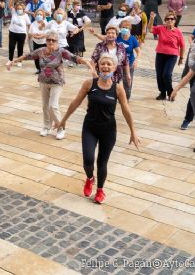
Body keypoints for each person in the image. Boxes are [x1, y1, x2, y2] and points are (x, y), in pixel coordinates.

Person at [54, 54, 141, 204]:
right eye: (103, 64)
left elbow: (126, 110)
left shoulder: (118, 89)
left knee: (102, 162)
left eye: (109, 64)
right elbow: (75, 102)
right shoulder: (89, 84)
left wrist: (133, 131)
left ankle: (100, 190)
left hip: (108, 130)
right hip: (90, 128)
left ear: (114, 68)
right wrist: (63, 120)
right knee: (88, 160)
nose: (106, 67)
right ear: (98, 66)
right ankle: (89, 178)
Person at [8, 31, 94, 140]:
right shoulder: (41, 51)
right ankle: (46, 127)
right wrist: (14, 61)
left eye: (53, 40)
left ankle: (60, 128)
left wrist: (86, 62)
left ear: (57, 41)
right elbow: (27, 56)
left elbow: (74, 58)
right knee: (45, 106)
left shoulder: (61, 51)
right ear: (46, 41)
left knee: (53, 106)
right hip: (43, 81)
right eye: (49, 40)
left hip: (57, 82)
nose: (51, 42)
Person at [148, 11, 185, 100]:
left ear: (175, 21)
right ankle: (162, 93)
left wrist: (181, 58)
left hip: (172, 56)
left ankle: (170, 92)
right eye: (167, 19)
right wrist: (152, 18)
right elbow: (150, 29)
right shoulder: (161, 28)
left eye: (172, 19)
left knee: (167, 74)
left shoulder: (178, 32)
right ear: (165, 20)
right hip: (160, 54)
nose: (169, 20)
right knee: (159, 74)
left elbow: (182, 45)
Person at [116, 20, 140, 100]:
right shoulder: (117, 36)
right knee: (117, 79)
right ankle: (116, 95)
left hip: (129, 63)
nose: (124, 29)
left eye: (126, 27)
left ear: (129, 28)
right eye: (123, 27)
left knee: (128, 80)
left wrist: (136, 60)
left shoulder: (133, 39)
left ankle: (126, 97)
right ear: (120, 28)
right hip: (118, 63)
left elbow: (138, 51)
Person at [7, 0, 31, 64]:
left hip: (22, 34)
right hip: (12, 32)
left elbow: (29, 24)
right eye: (18, 9)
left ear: (23, 9)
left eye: (20, 9)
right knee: (11, 47)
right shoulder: (14, 13)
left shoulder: (26, 16)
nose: (19, 10)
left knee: (20, 48)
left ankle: (19, 61)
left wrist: (29, 32)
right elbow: (10, 5)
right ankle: (10, 60)